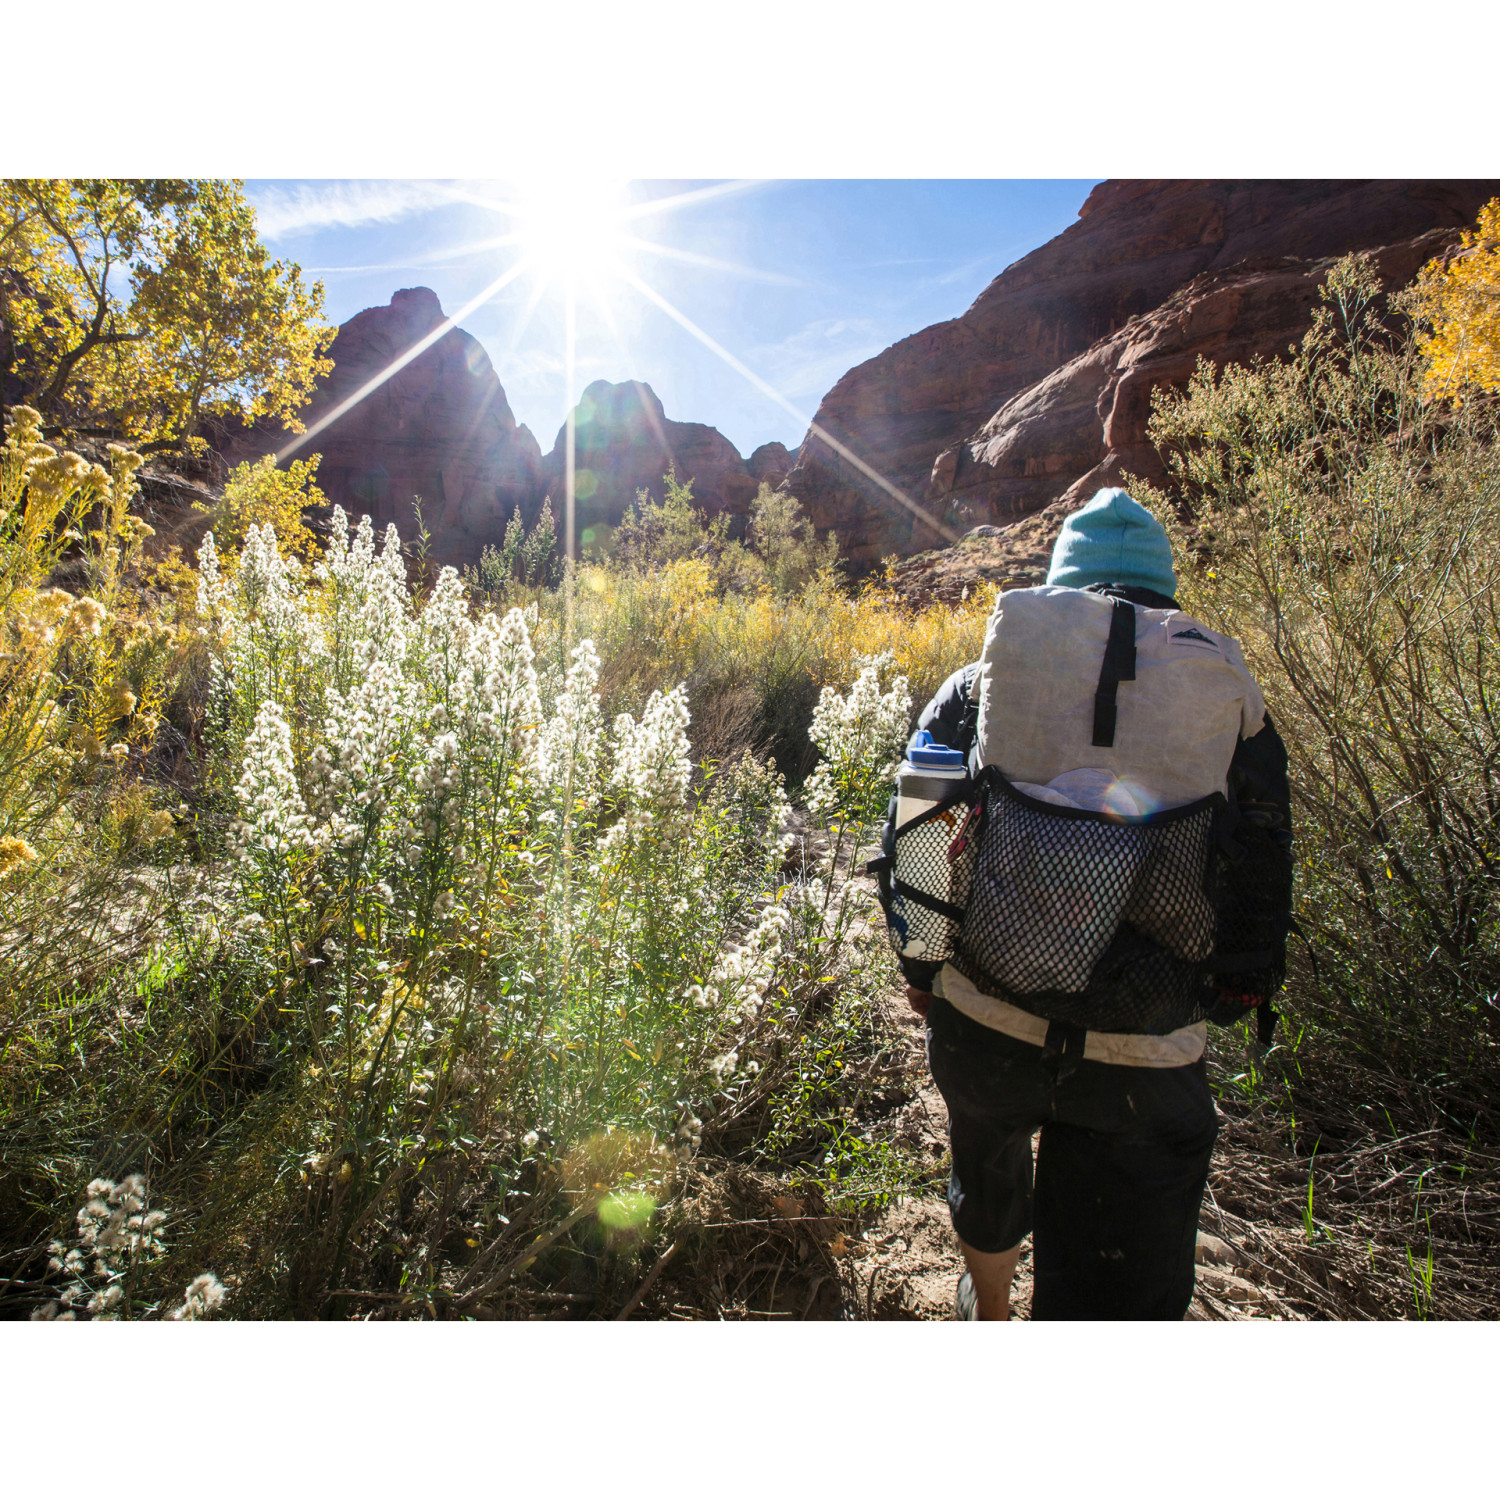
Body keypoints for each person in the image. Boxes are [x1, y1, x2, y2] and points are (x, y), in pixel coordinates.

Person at [880, 488, 1292, 1321]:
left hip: (986, 1012)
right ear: (1164, 588)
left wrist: (923, 967)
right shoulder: (1226, 693)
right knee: (1116, 1278)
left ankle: (989, 1308)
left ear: (1061, 583)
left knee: (987, 1174)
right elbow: (1263, 855)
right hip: (1147, 1043)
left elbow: (919, 821)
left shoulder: (986, 678)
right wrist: (1234, 991)